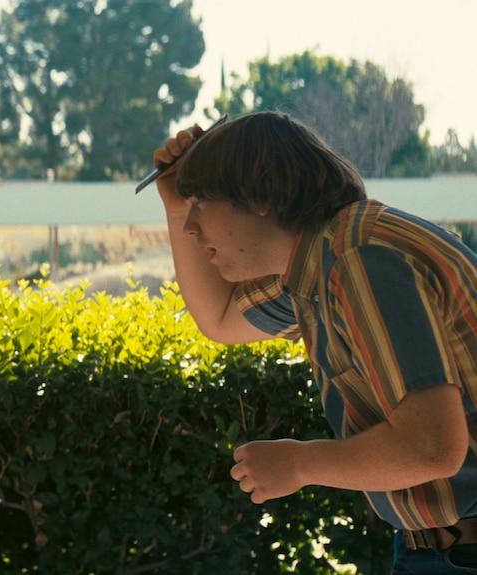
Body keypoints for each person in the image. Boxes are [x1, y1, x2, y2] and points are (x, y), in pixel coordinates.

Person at [151, 111, 477, 573]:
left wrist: (300, 464)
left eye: (202, 200)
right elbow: (221, 319)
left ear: (260, 194)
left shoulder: (358, 260)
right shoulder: (321, 264)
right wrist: (176, 205)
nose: (191, 226)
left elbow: (433, 448)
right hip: (439, 548)